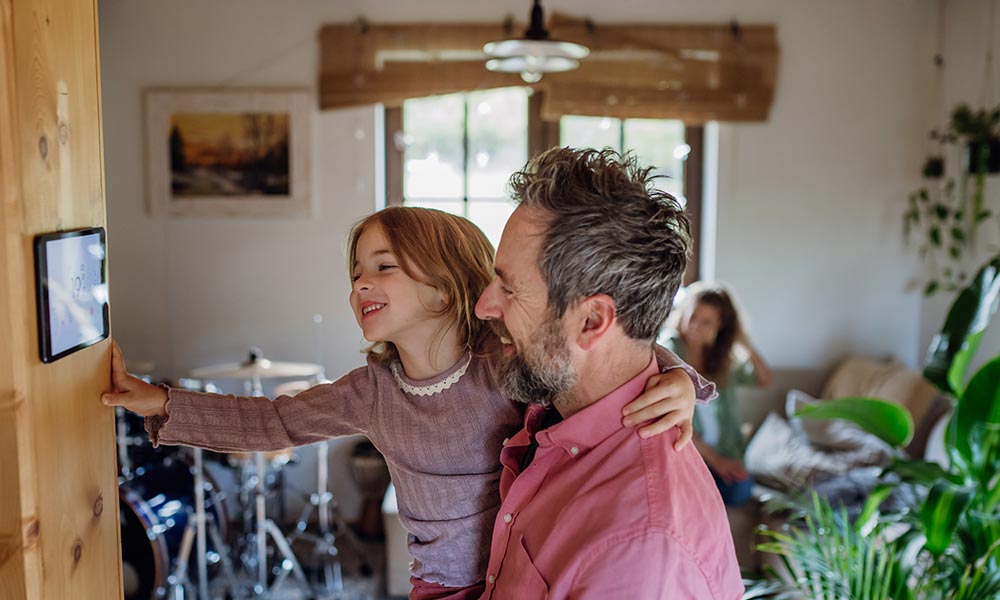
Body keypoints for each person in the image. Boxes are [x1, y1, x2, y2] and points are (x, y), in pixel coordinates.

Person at [101, 206, 716, 600]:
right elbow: (271, 421)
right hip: (439, 589)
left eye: (384, 266)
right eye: (355, 272)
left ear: (447, 288)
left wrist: (682, 377)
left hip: (513, 580)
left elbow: (601, 355)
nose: (360, 283)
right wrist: (158, 401)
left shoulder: (507, 369)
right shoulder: (371, 393)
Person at [474, 147, 744, 599]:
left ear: (592, 322)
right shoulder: (557, 395)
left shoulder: (640, 554)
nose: (485, 305)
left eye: (509, 287)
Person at [660, 281, 773, 507]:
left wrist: (741, 339)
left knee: (741, 489)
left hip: (724, 454)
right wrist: (717, 461)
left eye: (707, 322)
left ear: (719, 327)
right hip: (688, 454)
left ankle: (701, 498)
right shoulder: (668, 350)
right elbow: (670, 420)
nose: (696, 327)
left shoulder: (722, 360)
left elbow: (765, 380)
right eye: (692, 317)